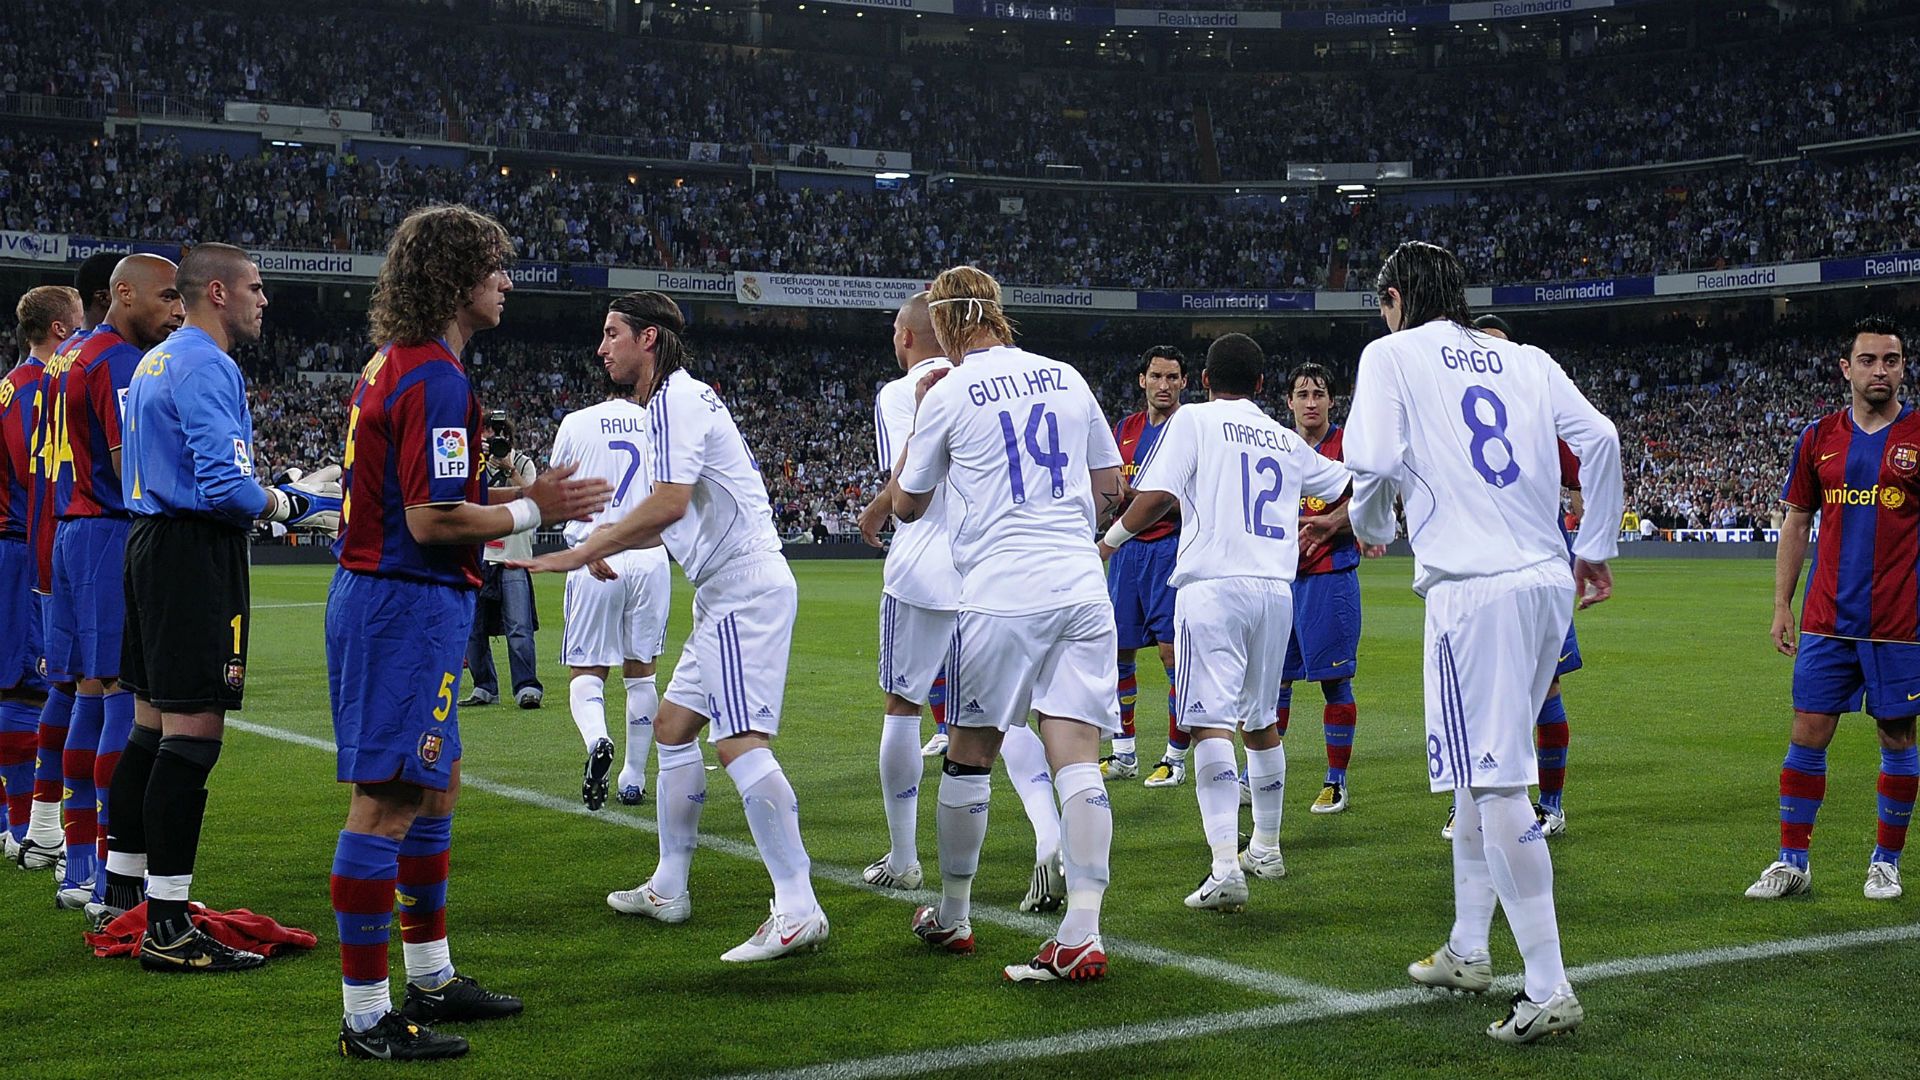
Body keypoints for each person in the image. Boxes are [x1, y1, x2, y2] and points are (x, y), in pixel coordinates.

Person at [326, 206, 609, 1061]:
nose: (508, 283)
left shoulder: (402, 364)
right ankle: (368, 1017)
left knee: (435, 787)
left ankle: (433, 976)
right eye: (495, 267)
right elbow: (432, 518)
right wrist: (536, 508)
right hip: (402, 602)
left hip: (408, 601)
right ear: (455, 278)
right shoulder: (434, 379)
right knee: (387, 801)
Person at [1345, 241, 1620, 1043]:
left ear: (1394, 296)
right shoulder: (1525, 358)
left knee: (1497, 783)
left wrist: (1369, 525)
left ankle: (1548, 985)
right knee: (1477, 769)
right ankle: (1469, 948)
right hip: (1544, 582)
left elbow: (1368, 458)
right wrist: (1593, 546)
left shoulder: (1392, 352)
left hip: (1475, 589)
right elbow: (1600, 438)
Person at [515, 290, 827, 964]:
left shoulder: (679, 400)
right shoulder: (665, 406)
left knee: (739, 743)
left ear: (648, 339)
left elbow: (669, 503)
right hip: (720, 589)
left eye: (611, 334)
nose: (602, 349)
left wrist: (585, 547)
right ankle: (670, 886)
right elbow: (673, 511)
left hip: (745, 585)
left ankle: (798, 906)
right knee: (672, 726)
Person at [890, 266, 1123, 983]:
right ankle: (1082, 928)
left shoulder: (948, 391)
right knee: (1076, 756)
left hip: (1000, 590)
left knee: (968, 755)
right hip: (1082, 585)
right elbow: (1111, 487)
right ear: (997, 313)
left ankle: (955, 914)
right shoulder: (1066, 374)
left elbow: (905, 506)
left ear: (949, 322)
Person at [111, 242, 343, 959]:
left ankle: (124, 895)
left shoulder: (157, 358)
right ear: (217, 291)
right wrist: (305, 502)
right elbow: (228, 491)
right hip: (191, 555)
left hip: (149, 544)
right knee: (194, 734)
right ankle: (169, 926)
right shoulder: (208, 364)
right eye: (256, 287)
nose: (264, 300)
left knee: (150, 727)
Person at [1102, 334, 1352, 910]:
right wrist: (1331, 523)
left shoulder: (1191, 422)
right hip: (1274, 589)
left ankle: (1223, 866)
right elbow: (1348, 484)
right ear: (1264, 386)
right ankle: (1265, 846)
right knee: (1261, 721)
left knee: (1210, 722)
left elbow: (1157, 496)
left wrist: (1108, 544)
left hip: (1212, 587)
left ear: (1206, 381)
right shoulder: (1283, 437)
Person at [855, 293, 1066, 913]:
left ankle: (903, 859)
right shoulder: (1005, 382)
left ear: (908, 337)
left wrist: (878, 505)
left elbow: (909, 485)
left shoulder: (900, 394)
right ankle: (1049, 835)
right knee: (1007, 716)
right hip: (989, 571)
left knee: (903, 706)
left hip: (921, 569)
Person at [1752, 315, 1919, 903]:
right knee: (1807, 731)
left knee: (1897, 737)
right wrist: (1782, 604)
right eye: (1869, 360)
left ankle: (1885, 863)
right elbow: (1798, 521)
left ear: (1903, 367)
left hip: (1901, 626)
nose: (1881, 370)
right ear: (1847, 369)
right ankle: (1791, 861)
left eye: (1892, 360)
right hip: (1826, 620)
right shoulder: (1818, 436)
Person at [45, 253, 183, 912]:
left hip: (74, 529)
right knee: (124, 702)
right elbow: (139, 466)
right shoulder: (120, 363)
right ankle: (109, 877)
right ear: (121, 295)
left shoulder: (72, 354)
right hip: (107, 532)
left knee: (88, 695)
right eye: (165, 298)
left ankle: (78, 868)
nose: (174, 312)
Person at [1441, 314, 1580, 840]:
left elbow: (1580, 486)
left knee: (1545, 687)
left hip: (1537, 567)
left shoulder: (1540, 412)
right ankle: (1471, 803)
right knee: (1472, 690)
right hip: (1478, 572)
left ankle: (1550, 804)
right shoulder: (1457, 415)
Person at [546, 314, 672, 809]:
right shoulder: (658, 422)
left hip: (597, 557)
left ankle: (598, 739)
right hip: (648, 557)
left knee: (587, 672)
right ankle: (633, 778)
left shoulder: (576, 424)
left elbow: (558, 499)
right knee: (642, 674)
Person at [17, 251, 118, 875]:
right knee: (102, 688)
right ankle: (95, 862)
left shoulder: (53, 369)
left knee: (71, 683)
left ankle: (54, 836)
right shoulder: (101, 360)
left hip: (55, 538)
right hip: (88, 537)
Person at [0, 286, 82, 862]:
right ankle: (25, 826)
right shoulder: (33, 390)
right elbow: (38, 474)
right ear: (58, 331)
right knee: (27, 686)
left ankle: (13, 821)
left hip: (13, 543)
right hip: (22, 546)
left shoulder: (15, 383)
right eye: (78, 326)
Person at [1280, 361, 1370, 815]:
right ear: (1289, 402)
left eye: (1319, 393)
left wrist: (1333, 523)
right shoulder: (1276, 446)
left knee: (1334, 682)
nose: (1311, 402)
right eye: (1302, 393)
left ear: (1332, 400)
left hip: (1330, 576)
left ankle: (1335, 781)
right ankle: (1260, 773)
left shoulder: (1349, 445)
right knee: (1273, 682)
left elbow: (1374, 495)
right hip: (1280, 580)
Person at [1103, 345, 1188, 787]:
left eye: (1173, 378)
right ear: (1142, 380)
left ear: (1184, 383)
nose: (1164, 385)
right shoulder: (1126, 429)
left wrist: (1134, 498)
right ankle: (1123, 752)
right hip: (1128, 556)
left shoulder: (1189, 428)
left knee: (1173, 655)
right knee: (1118, 652)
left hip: (1170, 551)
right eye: (1156, 376)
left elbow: (1170, 499)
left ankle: (1175, 757)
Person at [460, 412, 543, 710]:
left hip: (513, 557)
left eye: (500, 436)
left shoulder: (522, 463)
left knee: (519, 627)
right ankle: (484, 686)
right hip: (480, 554)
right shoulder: (471, 465)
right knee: (474, 628)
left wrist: (510, 470)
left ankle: (526, 687)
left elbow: (534, 501)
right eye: (489, 436)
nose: (495, 442)